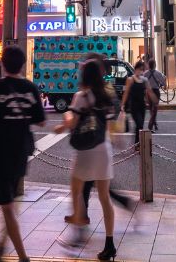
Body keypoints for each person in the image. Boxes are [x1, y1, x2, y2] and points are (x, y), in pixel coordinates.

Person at [0, 45, 45, 262]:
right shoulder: (31, 88)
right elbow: (41, 120)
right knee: (10, 202)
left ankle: (23, 257)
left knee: (7, 205)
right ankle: (2, 244)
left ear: (2, 64)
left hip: (0, 151)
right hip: (21, 151)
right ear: (23, 64)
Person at [55, 59, 118, 260]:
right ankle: (109, 244)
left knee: (76, 185)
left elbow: (72, 123)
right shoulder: (106, 96)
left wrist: (64, 119)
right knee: (104, 198)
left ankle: (79, 216)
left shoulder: (80, 96)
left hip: (86, 152)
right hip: (104, 149)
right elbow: (112, 123)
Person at [121, 61, 151, 142]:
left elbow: (146, 92)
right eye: (139, 69)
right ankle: (137, 144)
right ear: (135, 69)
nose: (140, 71)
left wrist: (148, 101)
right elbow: (126, 93)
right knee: (139, 124)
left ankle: (138, 144)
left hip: (142, 106)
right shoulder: (130, 79)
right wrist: (122, 105)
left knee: (140, 126)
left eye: (142, 70)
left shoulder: (144, 80)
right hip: (134, 106)